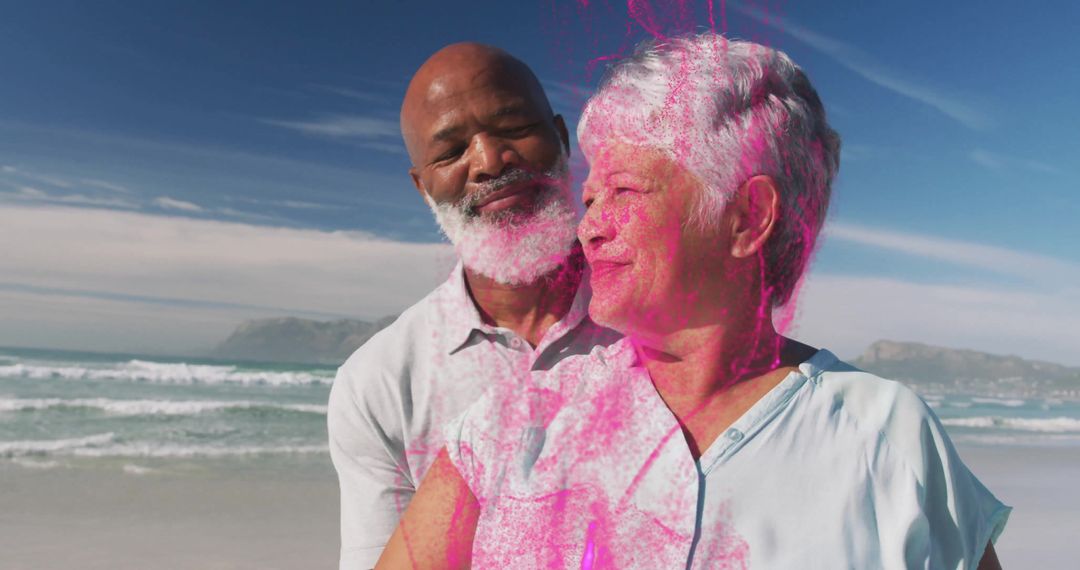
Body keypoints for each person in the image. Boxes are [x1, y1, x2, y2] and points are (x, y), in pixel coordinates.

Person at [376, 33, 1010, 569]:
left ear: (748, 216)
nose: (589, 227)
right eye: (590, 198)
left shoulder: (886, 440)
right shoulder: (511, 428)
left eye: (624, 191)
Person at [327, 43, 619, 568]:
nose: (489, 161)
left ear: (561, 137)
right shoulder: (378, 383)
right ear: (423, 187)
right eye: (450, 151)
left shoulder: (675, 313)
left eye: (514, 127)